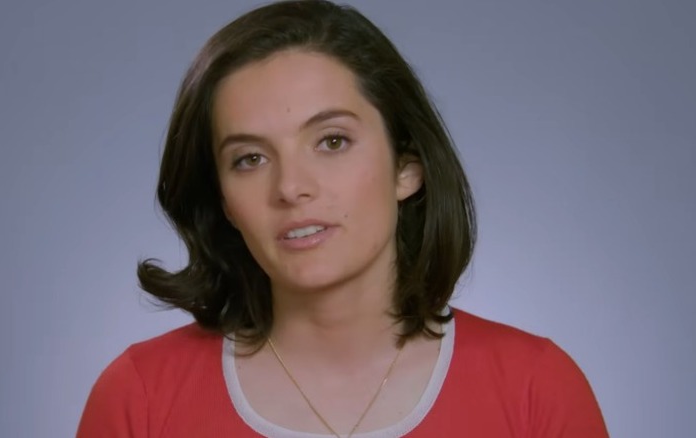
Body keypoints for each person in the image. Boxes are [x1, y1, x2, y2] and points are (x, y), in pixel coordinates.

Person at [77, 1, 608, 436]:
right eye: (250, 159)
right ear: (223, 202)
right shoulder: (139, 398)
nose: (290, 188)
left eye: (332, 141)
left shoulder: (535, 390)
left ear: (407, 167)